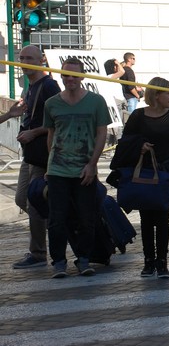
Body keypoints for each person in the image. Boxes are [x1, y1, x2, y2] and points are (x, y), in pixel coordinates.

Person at [44, 57, 112, 278]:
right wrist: (50, 165)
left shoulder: (96, 101)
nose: (70, 79)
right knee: (57, 219)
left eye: (74, 74)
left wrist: (92, 165)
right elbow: (51, 135)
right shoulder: (52, 103)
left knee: (86, 217)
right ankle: (59, 262)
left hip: (85, 169)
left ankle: (84, 259)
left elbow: (102, 133)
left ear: (82, 76)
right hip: (58, 170)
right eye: (66, 75)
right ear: (61, 76)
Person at [121, 77, 169, 278]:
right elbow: (125, 143)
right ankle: (148, 261)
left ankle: (162, 262)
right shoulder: (138, 116)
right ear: (157, 95)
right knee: (146, 218)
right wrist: (139, 147)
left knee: (163, 218)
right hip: (144, 172)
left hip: (167, 172)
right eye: (168, 93)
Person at [13, 45, 61, 269]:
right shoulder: (30, 86)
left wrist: (35, 131)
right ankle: (60, 221)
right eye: (21, 58)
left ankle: (39, 253)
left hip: (43, 153)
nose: (23, 62)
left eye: (28, 58)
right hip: (30, 153)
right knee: (22, 198)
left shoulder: (49, 85)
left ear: (40, 60)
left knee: (33, 201)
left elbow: (57, 120)